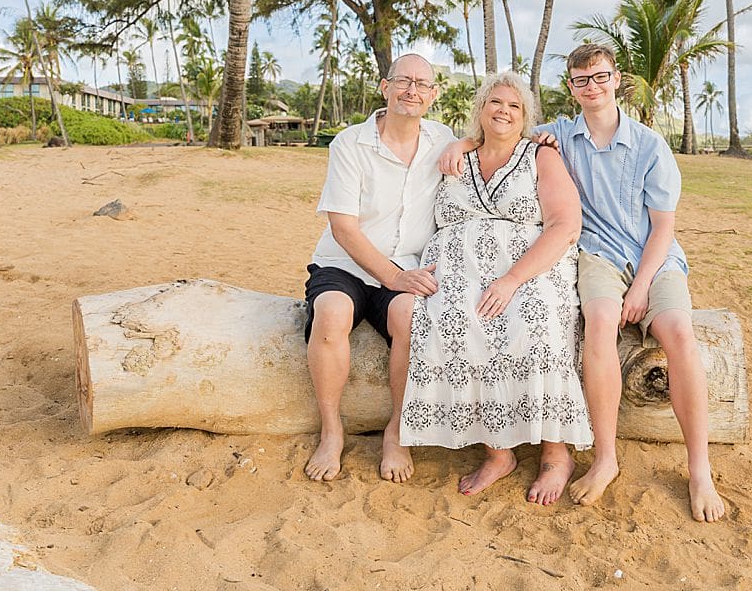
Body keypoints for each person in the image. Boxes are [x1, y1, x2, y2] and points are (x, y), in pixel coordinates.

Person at [440, 44, 726, 522]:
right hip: (597, 256)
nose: (591, 86)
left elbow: (663, 228)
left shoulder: (650, 145)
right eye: (581, 80)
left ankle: (700, 469)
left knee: (678, 332)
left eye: (600, 77)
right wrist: (459, 144)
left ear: (616, 80)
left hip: (654, 257)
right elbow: (503, 131)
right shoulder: (559, 137)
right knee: (598, 323)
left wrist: (641, 289)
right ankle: (605, 458)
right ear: (571, 88)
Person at [400, 70, 592, 505]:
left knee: (536, 323)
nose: (503, 111)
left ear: (526, 117)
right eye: (495, 103)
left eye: (514, 106)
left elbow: (565, 224)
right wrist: (461, 143)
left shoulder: (540, 156)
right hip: (458, 271)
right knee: (452, 323)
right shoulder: (455, 156)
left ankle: (555, 454)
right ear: (480, 110)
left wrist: (511, 279)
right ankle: (497, 451)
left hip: (530, 269)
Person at [303, 53, 453, 484]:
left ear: (433, 95)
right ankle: (332, 430)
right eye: (403, 81)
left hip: (409, 263)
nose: (413, 90)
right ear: (385, 88)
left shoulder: (443, 139)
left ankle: (396, 432)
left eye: (422, 84)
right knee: (330, 315)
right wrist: (391, 277)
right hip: (346, 263)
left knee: (409, 317)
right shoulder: (350, 143)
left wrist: (543, 139)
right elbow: (343, 228)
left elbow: (495, 138)